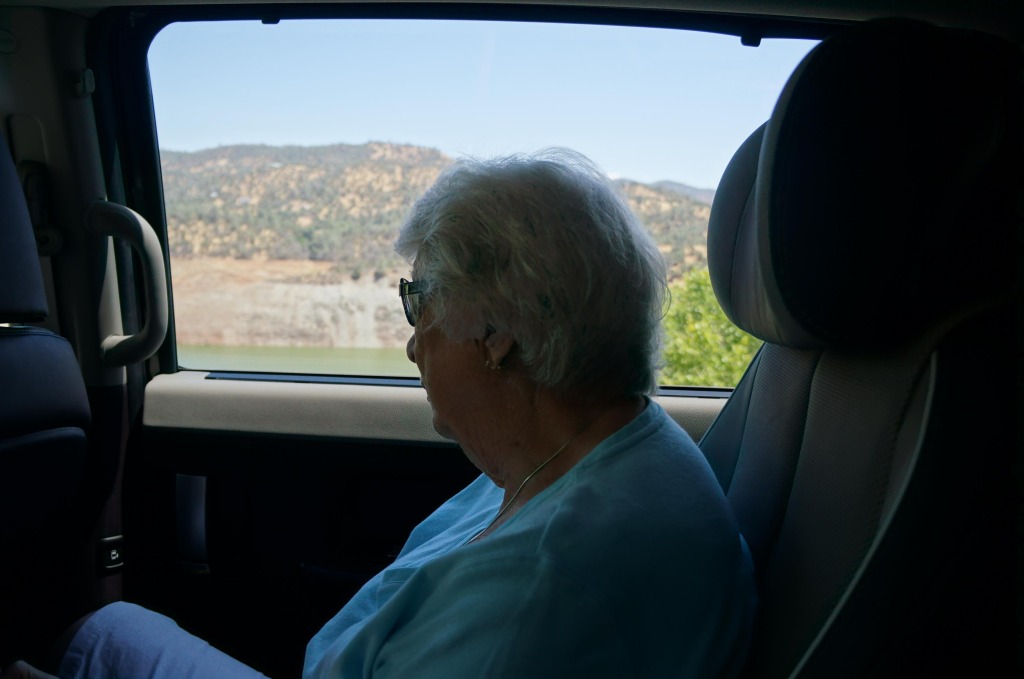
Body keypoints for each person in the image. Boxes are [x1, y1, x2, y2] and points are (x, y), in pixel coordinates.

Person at [3, 150, 755, 678]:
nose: (410, 342)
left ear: (498, 334)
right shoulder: (582, 452)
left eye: (418, 300)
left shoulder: (546, 582)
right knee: (110, 628)